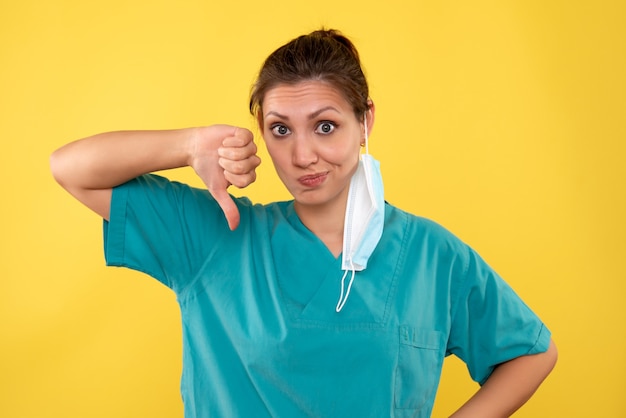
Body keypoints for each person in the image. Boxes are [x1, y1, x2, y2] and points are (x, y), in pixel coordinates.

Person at [50, 29, 557, 418]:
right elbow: (71, 169)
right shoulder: (215, 237)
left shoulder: (431, 254)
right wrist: (187, 146)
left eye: (325, 126)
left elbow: (532, 352)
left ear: (365, 123)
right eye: (280, 130)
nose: (302, 155)